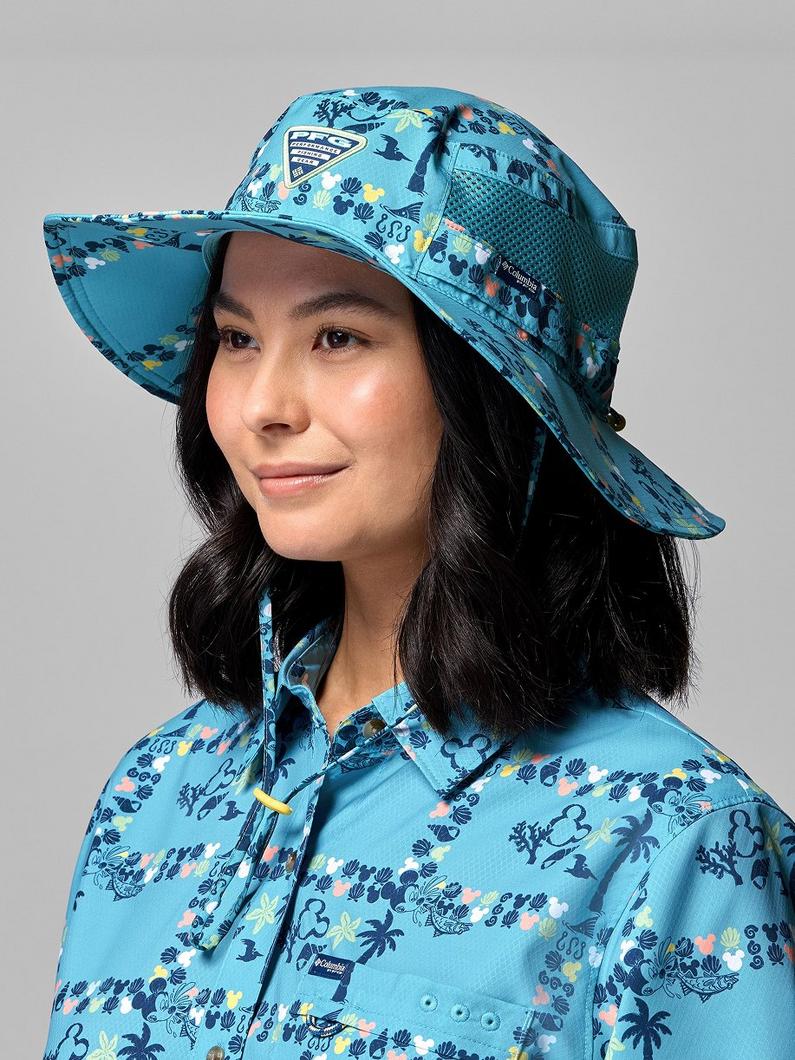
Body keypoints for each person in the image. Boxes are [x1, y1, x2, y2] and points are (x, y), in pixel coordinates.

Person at [41, 85, 794, 1060]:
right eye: (236, 338)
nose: (262, 403)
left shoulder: (673, 838)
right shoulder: (155, 797)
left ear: (489, 390)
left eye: (337, 336)